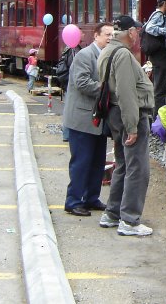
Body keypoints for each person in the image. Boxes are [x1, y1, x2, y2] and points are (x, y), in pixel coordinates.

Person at [97, 15, 155, 236]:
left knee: (122, 164)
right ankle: (129, 220)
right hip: (129, 116)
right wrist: (132, 127)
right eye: (137, 32)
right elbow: (126, 92)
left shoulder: (107, 51)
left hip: (115, 114)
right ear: (130, 32)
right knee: (137, 168)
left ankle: (112, 214)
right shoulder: (122, 54)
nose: (137, 35)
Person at [63, 22, 114, 217]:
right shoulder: (85, 55)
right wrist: (106, 90)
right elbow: (82, 82)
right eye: (107, 34)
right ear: (96, 35)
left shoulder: (107, 56)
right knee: (81, 162)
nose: (110, 38)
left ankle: (91, 198)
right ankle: (73, 201)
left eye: (112, 35)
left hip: (98, 120)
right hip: (82, 119)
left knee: (97, 162)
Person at [143, 0, 166, 114]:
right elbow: (149, 28)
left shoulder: (156, 15)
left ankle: (156, 115)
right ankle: (158, 118)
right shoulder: (159, 15)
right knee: (159, 89)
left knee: (158, 87)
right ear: (165, 3)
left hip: (156, 55)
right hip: (159, 56)